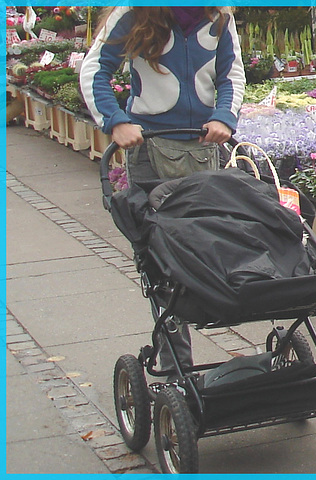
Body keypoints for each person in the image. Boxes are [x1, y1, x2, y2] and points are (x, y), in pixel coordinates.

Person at [80, 6, 246, 374]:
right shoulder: (132, 13)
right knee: (163, 263)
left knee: (209, 246)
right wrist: (115, 121)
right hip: (149, 151)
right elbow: (94, 70)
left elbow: (231, 73)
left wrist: (224, 116)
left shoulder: (219, 16)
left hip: (203, 149)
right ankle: (176, 368)